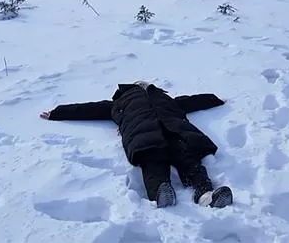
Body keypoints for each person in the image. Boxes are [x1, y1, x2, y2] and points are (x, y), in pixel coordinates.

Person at [40, 80, 233, 208]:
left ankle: (206, 195)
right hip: (143, 134)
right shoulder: (117, 104)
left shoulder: (165, 99)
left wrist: (214, 99)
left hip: (174, 130)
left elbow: (191, 101)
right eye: (138, 86)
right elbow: (87, 109)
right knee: (152, 161)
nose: (142, 86)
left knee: (189, 160)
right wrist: (58, 112)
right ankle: (161, 193)